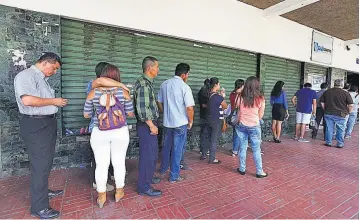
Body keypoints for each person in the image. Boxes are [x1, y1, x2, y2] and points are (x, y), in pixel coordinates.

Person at [14, 52, 67, 219]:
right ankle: (39, 207)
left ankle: (44, 191)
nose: (55, 71)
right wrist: (54, 101)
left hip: (45, 124)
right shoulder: (26, 76)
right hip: (36, 125)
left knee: (44, 162)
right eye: (54, 68)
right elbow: (27, 101)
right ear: (45, 63)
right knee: (40, 165)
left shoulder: (41, 78)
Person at [84, 64, 134, 208]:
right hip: (120, 131)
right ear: (117, 76)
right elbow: (130, 113)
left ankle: (101, 197)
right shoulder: (123, 92)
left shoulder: (92, 93)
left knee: (101, 164)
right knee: (119, 162)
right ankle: (119, 192)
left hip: (99, 132)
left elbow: (86, 114)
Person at [157, 63, 195, 183]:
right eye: (188, 74)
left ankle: (163, 169)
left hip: (167, 123)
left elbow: (159, 101)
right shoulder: (184, 87)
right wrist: (191, 121)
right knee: (177, 150)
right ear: (183, 74)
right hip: (180, 123)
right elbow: (189, 108)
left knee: (166, 147)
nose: (188, 76)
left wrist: (166, 112)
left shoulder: (164, 84)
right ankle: (174, 176)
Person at [134, 56, 162, 197]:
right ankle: (144, 187)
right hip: (147, 125)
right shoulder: (144, 84)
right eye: (157, 67)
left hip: (148, 125)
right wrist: (151, 125)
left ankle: (148, 178)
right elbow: (142, 108)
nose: (158, 69)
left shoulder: (146, 83)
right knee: (147, 155)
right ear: (150, 68)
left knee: (152, 155)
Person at [235, 76, 267, 178]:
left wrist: (239, 91)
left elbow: (237, 108)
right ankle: (259, 172)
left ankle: (242, 169)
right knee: (256, 149)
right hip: (254, 126)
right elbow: (260, 116)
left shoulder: (240, 96)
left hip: (242, 125)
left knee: (242, 147)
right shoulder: (261, 98)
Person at [201, 77, 227, 164]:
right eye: (219, 84)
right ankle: (212, 159)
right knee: (214, 139)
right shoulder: (217, 97)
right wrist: (223, 96)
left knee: (206, 137)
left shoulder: (207, 94)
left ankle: (204, 154)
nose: (219, 85)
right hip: (216, 120)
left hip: (207, 118)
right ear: (216, 85)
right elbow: (225, 106)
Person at [320, 79, 353, 148]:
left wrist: (325, 109)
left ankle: (328, 142)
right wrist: (348, 112)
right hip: (341, 113)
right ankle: (340, 143)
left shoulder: (327, 92)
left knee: (329, 128)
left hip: (328, 113)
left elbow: (322, 103)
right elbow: (350, 105)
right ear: (342, 85)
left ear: (334, 84)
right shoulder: (346, 93)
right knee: (340, 129)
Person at [229, 79, 244, 156]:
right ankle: (236, 150)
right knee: (240, 133)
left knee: (235, 132)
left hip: (233, 115)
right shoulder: (241, 95)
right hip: (239, 115)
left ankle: (235, 149)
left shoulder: (232, 93)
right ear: (241, 85)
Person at [198, 79, 210, 155]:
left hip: (206, 115)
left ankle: (204, 149)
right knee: (205, 132)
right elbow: (203, 105)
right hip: (205, 115)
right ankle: (203, 149)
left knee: (206, 132)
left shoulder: (205, 91)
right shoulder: (203, 92)